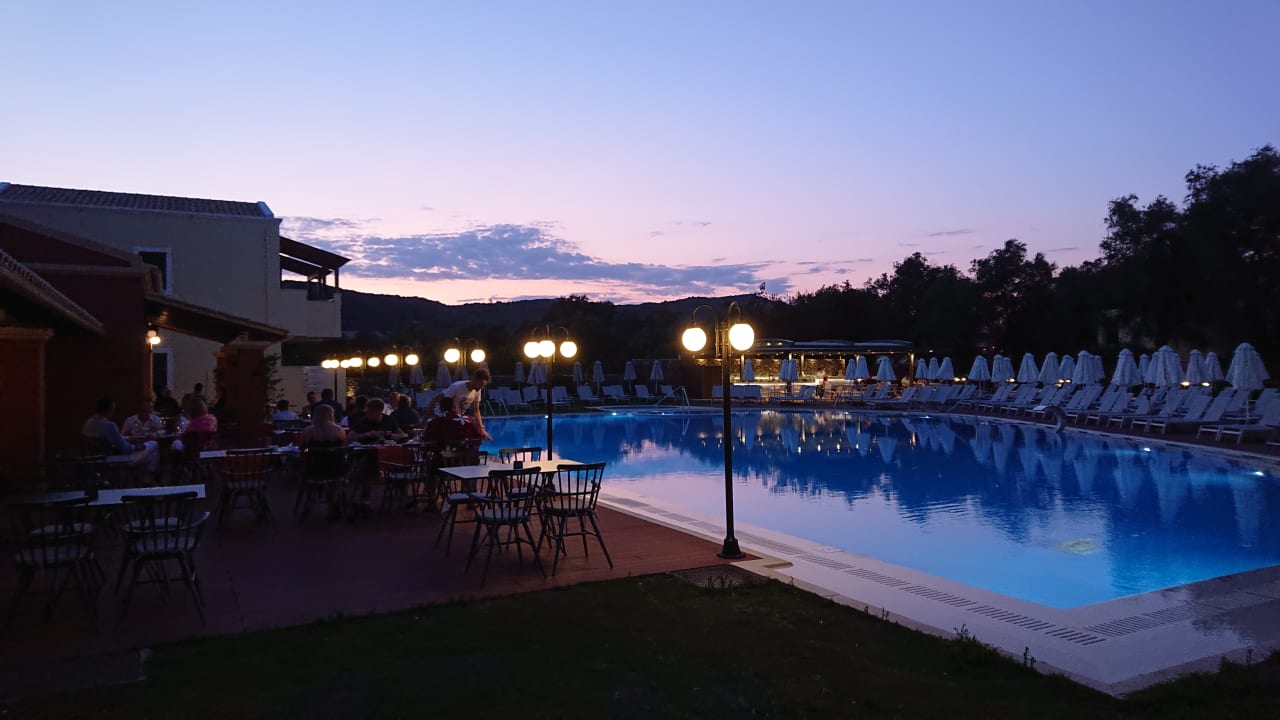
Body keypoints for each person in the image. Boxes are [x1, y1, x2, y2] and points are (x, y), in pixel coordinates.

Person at [82, 397, 160, 470]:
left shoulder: (88, 423)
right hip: (112, 459)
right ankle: (147, 480)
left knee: (152, 456)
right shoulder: (110, 425)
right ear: (109, 409)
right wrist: (140, 446)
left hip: (91, 459)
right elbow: (126, 449)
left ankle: (144, 480)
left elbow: (114, 439)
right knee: (153, 444)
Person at [428, 367, 492, 440]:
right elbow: (435, 399)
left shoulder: (477, 390)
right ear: (474, 379)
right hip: (444, 416)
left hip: (457, 418)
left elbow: (476, 410)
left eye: (483, 385)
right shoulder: (457, 387)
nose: (482, 387)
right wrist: (426, 417)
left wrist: (482, 428)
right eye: (481, 384)